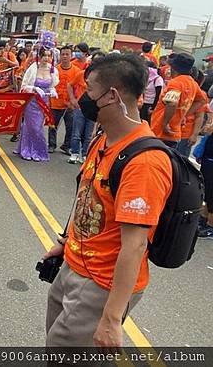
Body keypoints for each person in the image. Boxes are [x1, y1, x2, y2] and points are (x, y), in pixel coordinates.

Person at [44, 53, 173, 348]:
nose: (84, 96)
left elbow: (135, 244)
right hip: (72, 266)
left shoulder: (145, 163)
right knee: (56, 347)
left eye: (90, 89)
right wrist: (66, 243)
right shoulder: (104, 139)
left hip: (100, 285)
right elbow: (87, 197)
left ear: (112, 96)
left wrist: (112, 318)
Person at [151, 53, 205, 149]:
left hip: (161, 132)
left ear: (173, 68)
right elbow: (201, 101)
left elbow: (172, 103)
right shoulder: (193, 83)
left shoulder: (175, 83)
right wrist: (184, 114)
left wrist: (165, 123)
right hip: (175, 132)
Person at [15, 47, 59, 162]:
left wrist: (53, 90)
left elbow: (52, 85)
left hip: (44, 101)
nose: (46, 58)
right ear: (39, 55)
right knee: (31, 126)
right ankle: (27, 150)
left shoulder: (52, 69)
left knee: (38, 127)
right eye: (44, 55)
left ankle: (38, 151)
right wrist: (34, 88)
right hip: (33, 101)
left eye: (49, 56)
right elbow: (24, 85)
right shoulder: (33, 68)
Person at [48, 45, 79, 154]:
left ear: (71, 56)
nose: (65, 56)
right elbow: (50, 85)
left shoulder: (76, 71)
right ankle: (51, 145)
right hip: (55, 102)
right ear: (60, 56)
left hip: (69, 104)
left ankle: (66, 146)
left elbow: (77, 88)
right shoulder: (54, 69)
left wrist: (74, 101)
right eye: (63, 54)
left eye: (67, 54)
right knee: (53, 125)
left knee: (70, 126)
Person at [67, 66, 95, 164]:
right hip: (80, 108)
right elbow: (70, 85)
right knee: (76, 132)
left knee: (89, 134)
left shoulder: (102, 77)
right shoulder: (81, 74)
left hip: (93, 108)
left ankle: (85, 154)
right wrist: (73, 99)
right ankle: (74, 153)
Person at [176, 70, 208, 157]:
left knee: (181, 162)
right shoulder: (179, 88)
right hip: (174, 131)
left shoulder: (200, 95)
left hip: (186, 134)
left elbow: (199, 116)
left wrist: (194, 135)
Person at [194, 131, 213, 239]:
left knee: (211, 195)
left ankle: (210, 226)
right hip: (208, 159)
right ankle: (204, 219)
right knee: (207, 192)